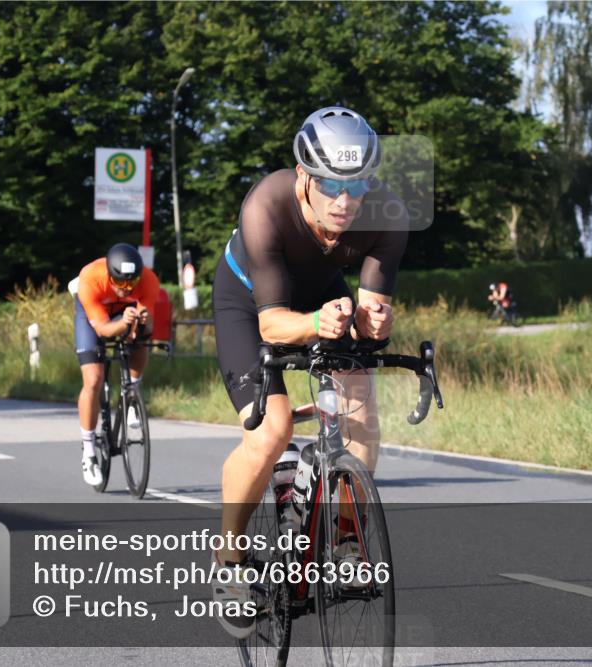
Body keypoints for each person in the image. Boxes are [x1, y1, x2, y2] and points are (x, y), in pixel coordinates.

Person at [211, 106, 409, 638]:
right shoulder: (267, 204)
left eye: (358, 184)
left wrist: (374, 320)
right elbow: (274, 326)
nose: (345, 201)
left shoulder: (386, 212)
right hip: (249, 302)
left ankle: (346, 538)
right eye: (329, 185)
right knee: (272, 428)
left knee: (361, 412)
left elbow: (372, 313)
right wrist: (316, 322)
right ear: (303, 176)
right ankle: (229, 562)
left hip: (322, 295)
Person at [73, 243, 160, 485]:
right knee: (93, 380)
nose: (126, 288)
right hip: (94, 315)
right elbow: (102, 329)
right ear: (110, 276)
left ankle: (131, 392)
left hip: (125, 313)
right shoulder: (90, 278)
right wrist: (123, 324)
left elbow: (149, 327)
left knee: (142, 338)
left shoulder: (149, 281)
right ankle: (89, 453)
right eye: (120, 283)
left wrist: (143, 322)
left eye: (131, 283)